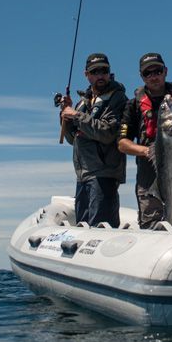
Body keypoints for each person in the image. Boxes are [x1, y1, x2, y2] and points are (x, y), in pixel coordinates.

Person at [117, 52, 172, 230]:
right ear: (141, 76)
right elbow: (122, 142)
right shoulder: (133, 105)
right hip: (148, 178)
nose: (153, 76)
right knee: (151, 227)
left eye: (157, 71)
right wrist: (147, 151)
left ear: (165, 71)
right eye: (147, 73)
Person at [60, 53, 126, 228]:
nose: (100, 75)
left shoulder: (117, 98)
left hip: (104, 173)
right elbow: (72, 138)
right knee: (83, 228)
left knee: (101, 229)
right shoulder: (83, 102)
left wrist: (76, 116)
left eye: (104, 71)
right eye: (95, 72)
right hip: (83, 174)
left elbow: (108, 133)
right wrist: (64, 117)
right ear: (87, 75)